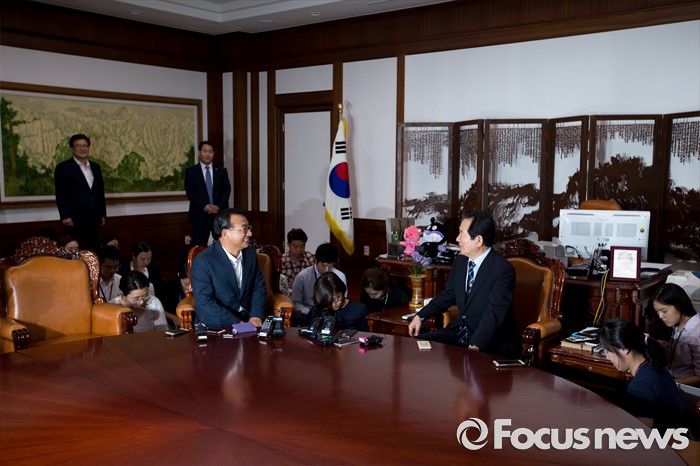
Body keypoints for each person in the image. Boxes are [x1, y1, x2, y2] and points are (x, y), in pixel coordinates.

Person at [408, 210, 520, 358]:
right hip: (460, 332)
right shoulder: (461, 261)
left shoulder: (502, 269)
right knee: (418, 345)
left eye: (461, 233)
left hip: (491, 341)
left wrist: (475, 345)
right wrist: (420, 316)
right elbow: (448, 295)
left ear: (478, 240)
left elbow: (493, 315)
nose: (457, 238)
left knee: (466, 362)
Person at [598, 317, 688, 433]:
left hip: (669, 442)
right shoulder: (654, 366)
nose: (607, 357)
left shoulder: (641, 386)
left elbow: (640, 437)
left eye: (607, 351)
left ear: (624, 349)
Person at [190, 208, 265, 328]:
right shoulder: (203, 262)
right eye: (244, 228)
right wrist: (238, 324)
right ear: (226, 233)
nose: (250, 233)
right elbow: (204, 302)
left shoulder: (250, 254)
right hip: (218, 325)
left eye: (249, 228)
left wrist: (255, 315)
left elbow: (258, 286)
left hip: (250, 320)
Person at [54, 134, 106, 251]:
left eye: (85, 146)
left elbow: (100, 192)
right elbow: (60, 194)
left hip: (94, 218)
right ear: (72, 149)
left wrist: (102, 213)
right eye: (79, 146)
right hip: (74, 219)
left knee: (93, 250)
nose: (83, 149)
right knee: (77, 251)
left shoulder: (95, 167)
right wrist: (65, 216)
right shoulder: (64, 168)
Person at [184, 141, 231, 246]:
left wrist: (218, 206)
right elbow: (190, 192)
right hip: (199, 216)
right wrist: (204, 206)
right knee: (199, 248)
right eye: (205, 151)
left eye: (210, 151)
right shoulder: (191, 172)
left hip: (219, 216)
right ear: (199, 153)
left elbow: (226, 190)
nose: (207, 154)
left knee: (223, 247)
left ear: (213, 154)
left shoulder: (221, 171)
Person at [652, 283, 700, 387]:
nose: (660, 316)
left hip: (688, 387)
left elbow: (699, 377)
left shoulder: (696, 333)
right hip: (672, 377)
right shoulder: (677, 325)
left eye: (664, 311)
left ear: (680, 306)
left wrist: (666, 384)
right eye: (658, 312)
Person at [291, 242, 347, 327]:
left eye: (331, 266)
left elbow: (343, 300)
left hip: (333, 313)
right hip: (308, 313)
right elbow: (296, 303)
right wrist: (311, 312)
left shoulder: (340, 276)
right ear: (316, 260)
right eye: (324, 265)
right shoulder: (302, 276)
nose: (327, 270)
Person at [280, 228, 316, 293]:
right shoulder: (282, 261)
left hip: (307, 294)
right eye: (295, 246)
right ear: (288, 245)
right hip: (289, 295)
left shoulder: (311, 258)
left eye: (302, 246)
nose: (299, 250)